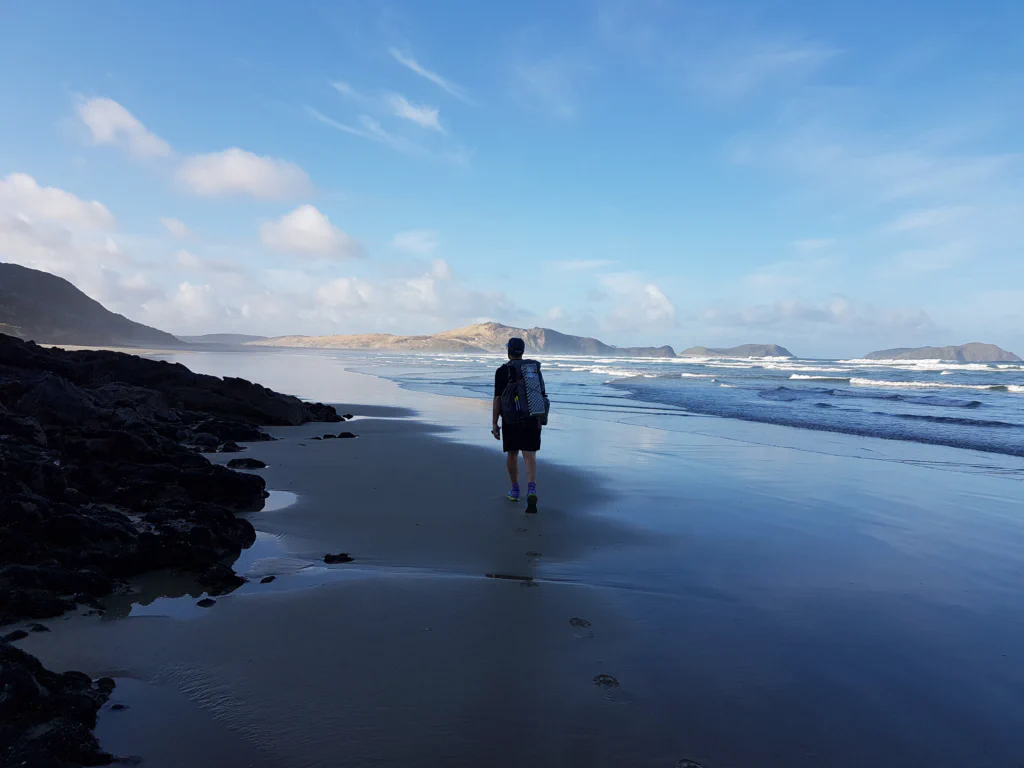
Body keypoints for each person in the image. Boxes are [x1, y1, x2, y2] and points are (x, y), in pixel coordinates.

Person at [492, 337, 544, 513]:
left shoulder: (502, 371)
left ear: (508, 350)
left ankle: (515, 490)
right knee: (529, 455)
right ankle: (532, 490)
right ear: (522, 351)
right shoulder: (533, 370)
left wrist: (494, 423)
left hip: (511, 419)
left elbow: (497, 399)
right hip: (531, 417)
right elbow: (541, 395)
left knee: (512, 454)